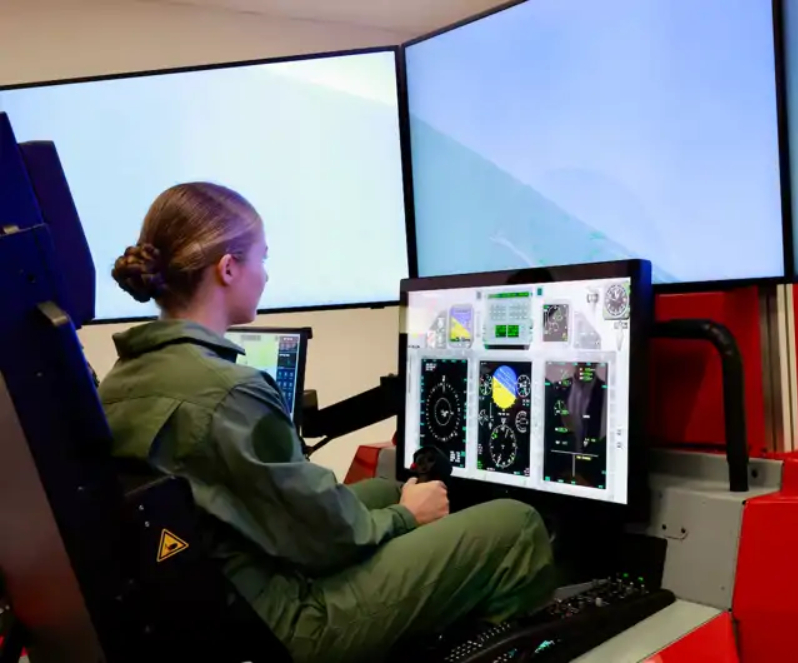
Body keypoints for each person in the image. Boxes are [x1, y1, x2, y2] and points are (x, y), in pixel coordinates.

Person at [98, 182, 555, 662]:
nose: (266, 275)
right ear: (228, 269)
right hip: (283, 625)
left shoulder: (124, 378)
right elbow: (324, 535)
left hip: (219, 602)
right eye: (262, 259)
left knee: (380, 491)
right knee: (516, 525)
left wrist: (393, 510)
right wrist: (406, 516)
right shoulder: (226, 389)